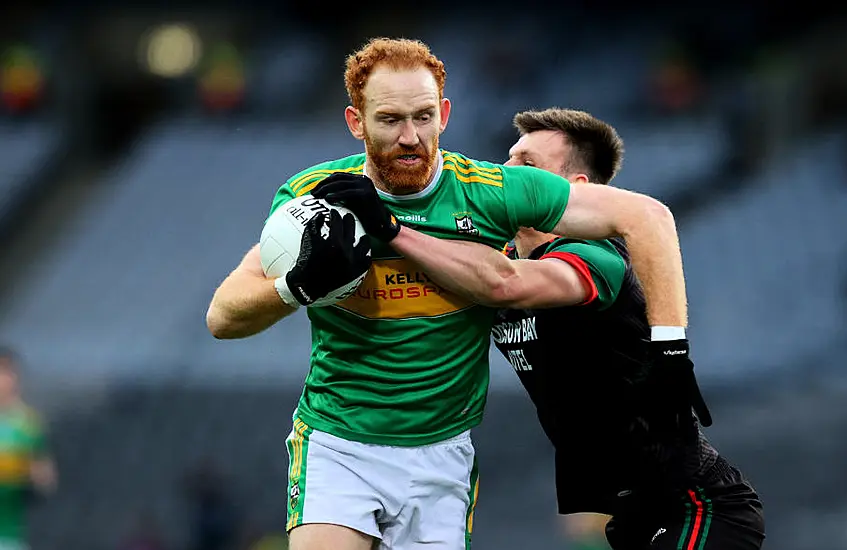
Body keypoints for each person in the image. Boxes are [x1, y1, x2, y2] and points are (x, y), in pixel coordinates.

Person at [206, 38, 691, 550]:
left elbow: (647, 217)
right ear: (355, 122)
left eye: (423, 117)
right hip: (337, 442)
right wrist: (294, 286)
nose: (410, 136)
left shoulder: (494, 193)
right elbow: (223, 316)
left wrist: (671, 349)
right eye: (390, 119)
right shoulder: (314, 198)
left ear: (445, 115)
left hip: (441, 456)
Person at [392, 108, 766, 549]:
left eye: (527, 165)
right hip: (634, 515)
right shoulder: (503, 252)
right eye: (507, 160)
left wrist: (391, 229)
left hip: (699, 506)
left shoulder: (596, 258)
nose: (505, 174)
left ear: (575, 191)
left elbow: (504, 284)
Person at [0, 347, 56, 550]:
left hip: (9, 537)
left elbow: (45, 481)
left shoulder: (28, 425)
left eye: (7, 372)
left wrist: (29, 476)